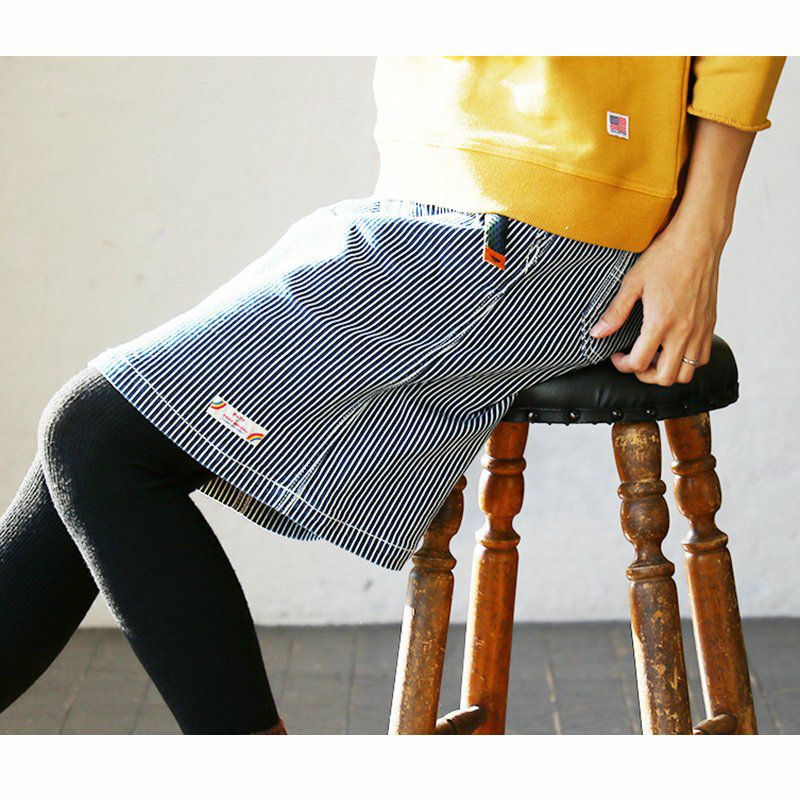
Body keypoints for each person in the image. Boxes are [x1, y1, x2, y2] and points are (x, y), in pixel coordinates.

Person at [0, 56, 786, 734]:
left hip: (536, 219)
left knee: (97, 440)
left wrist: (702, 231)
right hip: (438, 196)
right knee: (89, 459)